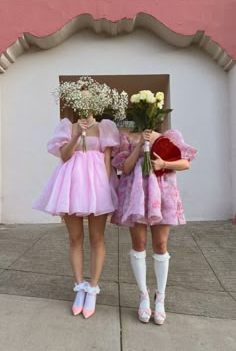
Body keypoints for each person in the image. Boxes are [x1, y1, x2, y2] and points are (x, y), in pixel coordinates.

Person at [33, 113, 120, 319]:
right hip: (71, 185)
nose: (85, 104)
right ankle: (80, 286)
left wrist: (105, 190)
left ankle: (93, 289)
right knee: (75, 238)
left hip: (96, 186)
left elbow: (107, 160)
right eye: (80, 99)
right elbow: (64, 156)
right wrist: (77, 134)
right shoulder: (67, 127)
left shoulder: (104, 127)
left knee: (97, 239)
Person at [111, 128, 197, 325]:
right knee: (139, 243)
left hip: (163, 195)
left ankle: (161, 297)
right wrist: (140, 144)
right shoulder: (128, 138)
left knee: (160, 244)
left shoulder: (170, 136)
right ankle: (143, 296)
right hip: (136, 197)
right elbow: (125, 167)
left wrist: (163, 163)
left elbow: (185, 163)